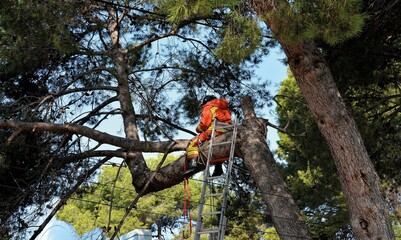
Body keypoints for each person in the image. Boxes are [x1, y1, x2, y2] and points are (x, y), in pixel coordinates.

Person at [183, 95, 232, 177]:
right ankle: (218, 168)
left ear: (205, 102)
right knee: (218, 150)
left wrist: (198, 129)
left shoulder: (208, 107)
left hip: (214, 131)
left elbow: (204, 123)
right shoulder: (225, 109)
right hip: (227, 133)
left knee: (192, 143)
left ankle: (192, 164)